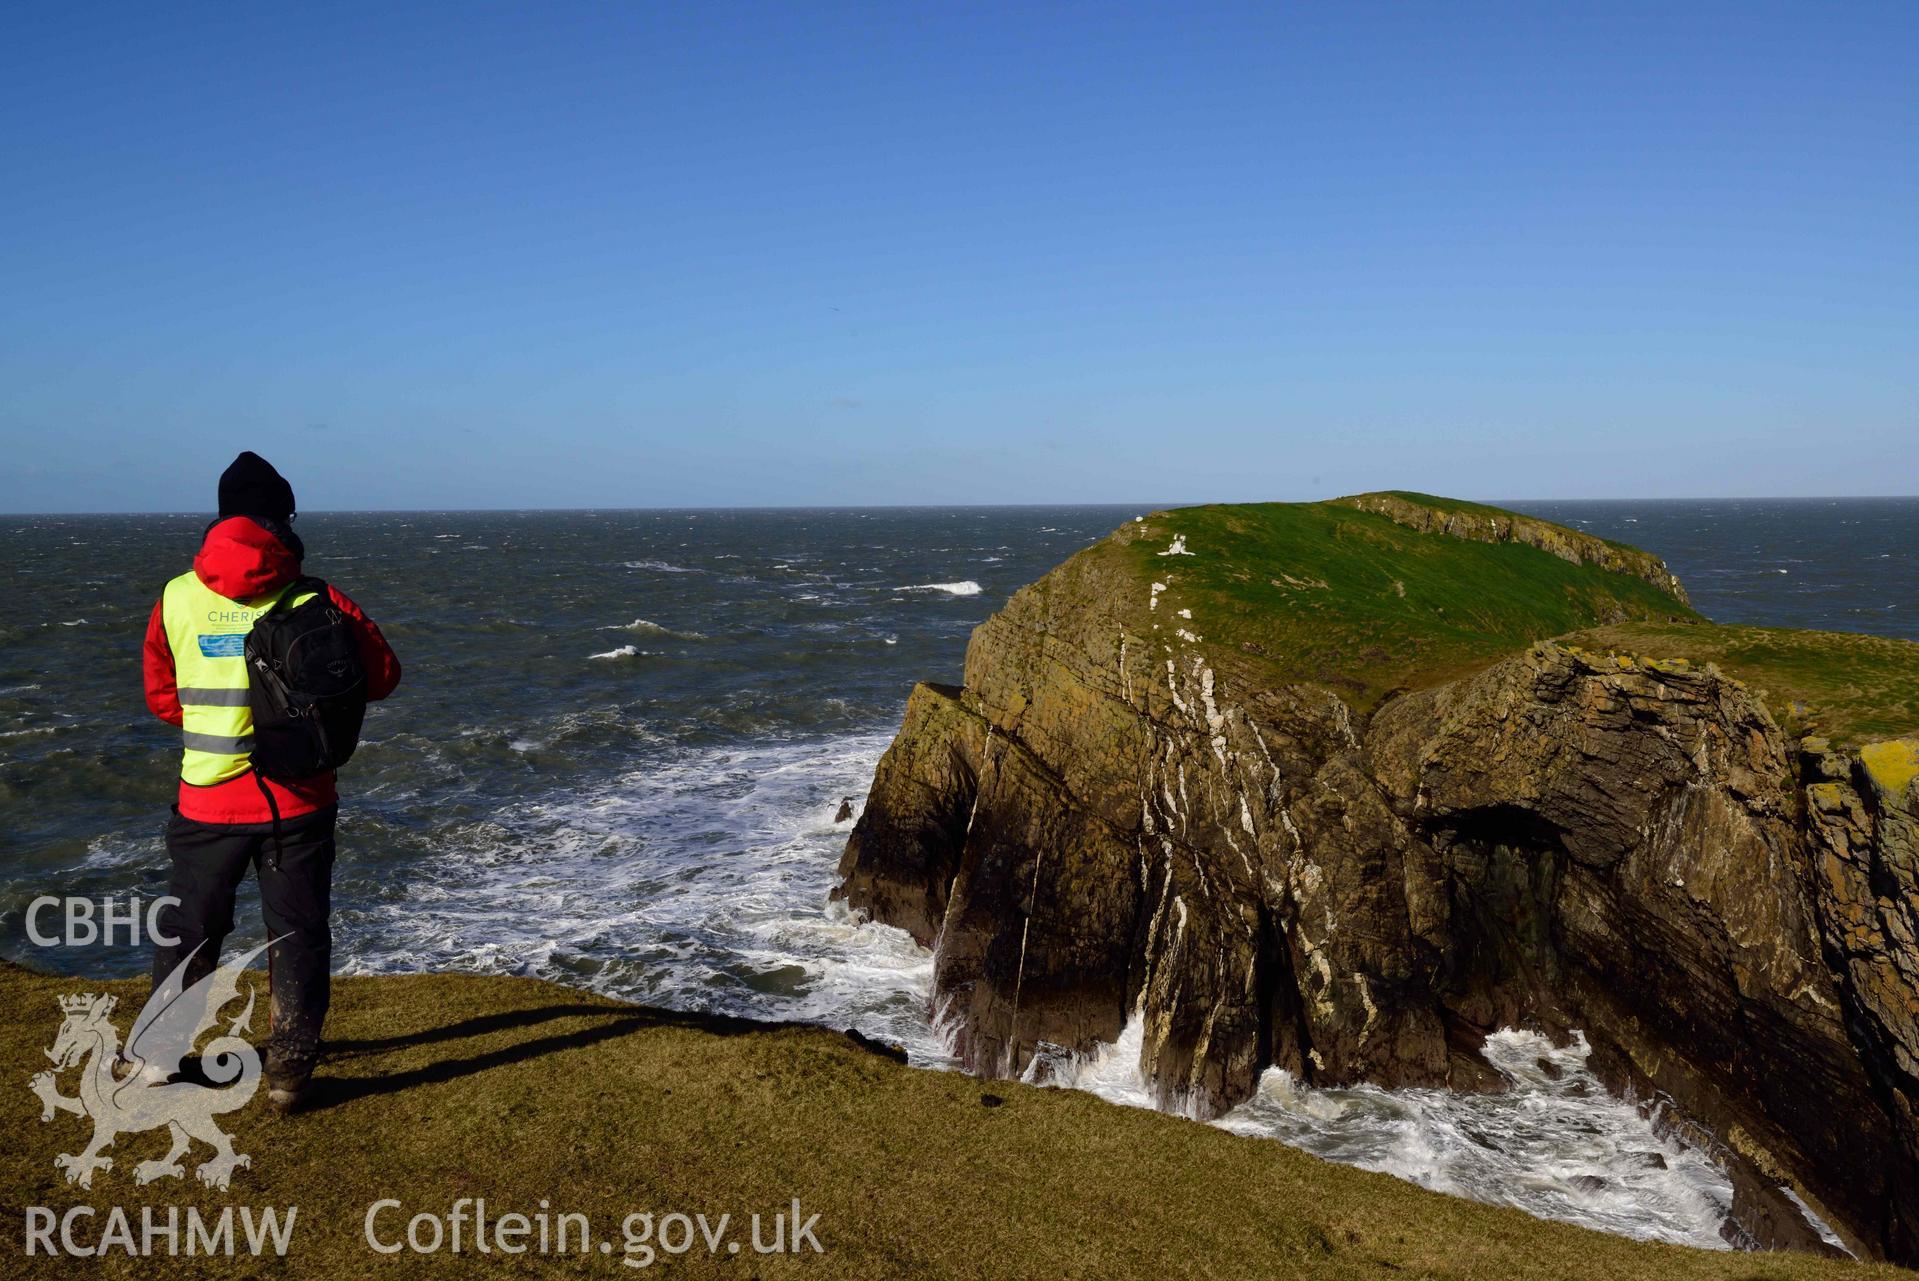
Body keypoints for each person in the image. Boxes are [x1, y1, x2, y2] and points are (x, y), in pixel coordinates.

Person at [142, 451, 401, 1110]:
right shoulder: (317, 596)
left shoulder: (175, 595)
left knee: (191, 927)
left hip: (206, 799)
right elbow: (383, 676)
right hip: (301, 800)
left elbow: (162, 697)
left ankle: (159, 1058)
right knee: (298, 932)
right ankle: (288, 1070)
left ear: (221, 516)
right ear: (282, 519)